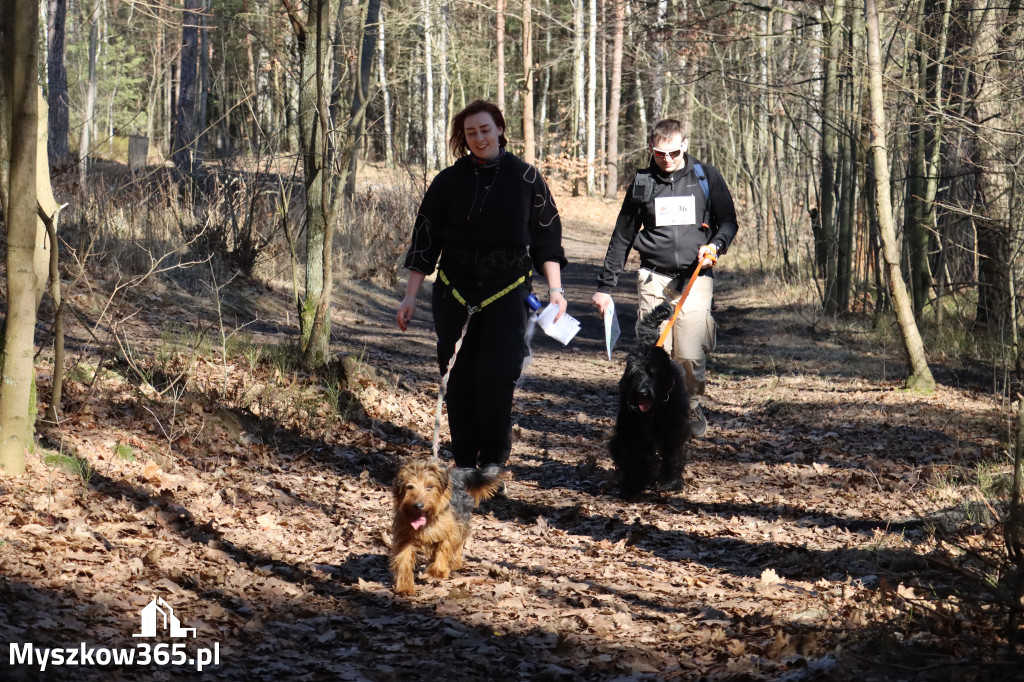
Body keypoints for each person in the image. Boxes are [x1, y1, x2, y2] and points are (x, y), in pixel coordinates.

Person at [397, 99, 568, 474]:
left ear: (500, 130)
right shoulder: (447, 182)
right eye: (471, 132)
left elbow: (547, 240)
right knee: (458, 379)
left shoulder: (526, 178)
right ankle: (463, 464)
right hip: (453, 293)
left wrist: (556, 291)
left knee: (496, 378)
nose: (479, 138)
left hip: (508, 294)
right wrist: (410, 296)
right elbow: (424, 242)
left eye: (485, 130)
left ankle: (492, 464)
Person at [592, 119, 738, 437]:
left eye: (673, 152)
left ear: (684, 145)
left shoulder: (705, 177)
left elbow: (729, 221)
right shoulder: (643, 182)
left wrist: (715, 245)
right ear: (651, 149)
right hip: (653, 278)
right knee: (655, 352)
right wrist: (605, 286)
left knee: (689, 355)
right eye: (660, 153)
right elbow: (622, 236)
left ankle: (691, 404)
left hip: (695, 278)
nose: (667, 159)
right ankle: (656, 413)